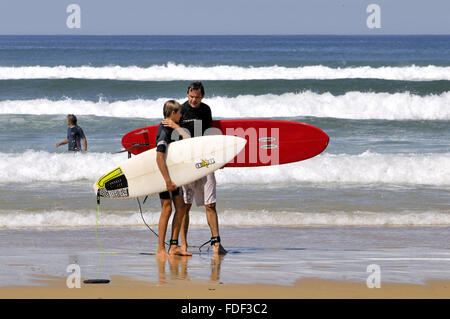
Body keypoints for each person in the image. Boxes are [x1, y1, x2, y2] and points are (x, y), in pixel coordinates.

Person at [163, 82, 227, 255]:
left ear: (202, 96)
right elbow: (174, 138)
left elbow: (208, 137)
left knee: (211, 204)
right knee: (184, 206)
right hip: (187, 165)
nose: (193, 100)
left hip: (206, 162)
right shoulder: (180, 110)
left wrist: (218, 160)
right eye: (191, 96)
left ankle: (216, 243)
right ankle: (183, 245)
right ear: (187, 94)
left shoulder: (206, 110)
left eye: (197, 97)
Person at [155, 100, 192, 259]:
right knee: (167, 209)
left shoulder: (173, 128)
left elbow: (188, 138)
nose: (181, 115)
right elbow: (158, 157)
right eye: (179, 112)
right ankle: (160, 249)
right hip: (163, 175)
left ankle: (174, 246)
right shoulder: (164, 130)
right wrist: (167, 181)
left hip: (173, 174)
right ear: (172, 113)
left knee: (181, 207)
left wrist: (177, 126)